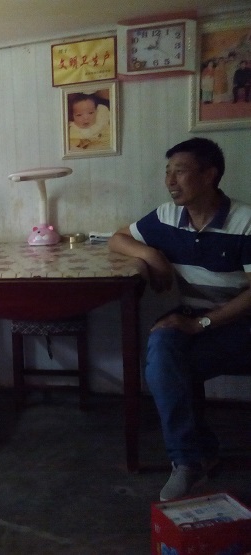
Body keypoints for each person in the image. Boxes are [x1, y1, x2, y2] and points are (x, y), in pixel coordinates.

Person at [108, 137, 251, 501]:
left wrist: (201, 324)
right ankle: (188, 462)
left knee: (169, 368)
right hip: (194, 317)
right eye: (167, 172)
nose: (170, 181)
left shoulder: (245, 221)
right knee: (162, 346)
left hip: (241, 324)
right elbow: (118, 238)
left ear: (209, 175)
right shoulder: (168, 216)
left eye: (180, 172)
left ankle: (201, 453)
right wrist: (153, 257)